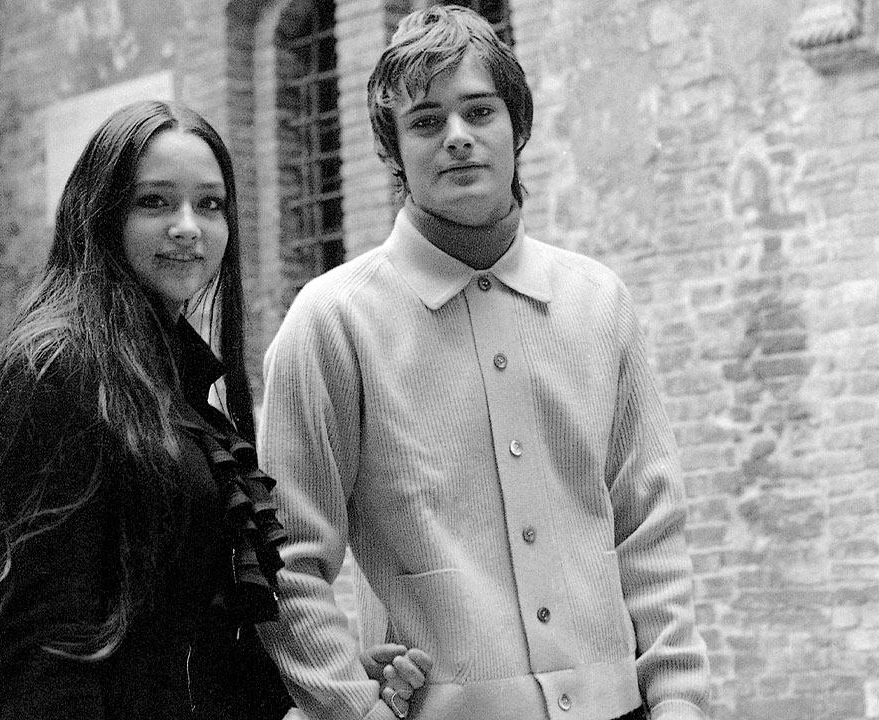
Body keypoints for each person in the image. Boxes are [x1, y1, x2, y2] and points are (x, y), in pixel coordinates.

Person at [256, 7, 710, 720]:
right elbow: (288, 560)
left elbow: (648, 525)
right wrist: (356, 709)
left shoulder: (598, 303)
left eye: (479, 111)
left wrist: (679, 700)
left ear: (516, 126)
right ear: (395, 149)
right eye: (427, 121)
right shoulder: (332, 321)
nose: (459, 137)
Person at [0, 100, 422, 720]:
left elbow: (189, 632)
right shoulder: (59, 371)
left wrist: (344, 682)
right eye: (155, 202)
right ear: (102, 214)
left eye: (209, 204)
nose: (187, 227)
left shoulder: (176, 385)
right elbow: (44, 649)